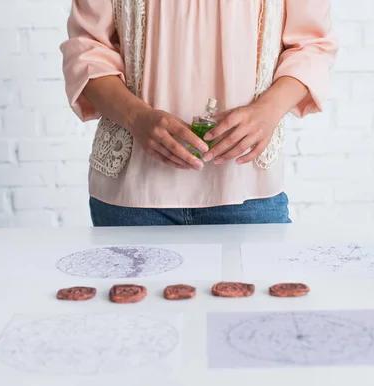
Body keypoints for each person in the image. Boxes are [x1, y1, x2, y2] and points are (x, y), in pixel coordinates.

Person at [60, 0, 338, 227]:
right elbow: (87, 50)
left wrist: (269, 110)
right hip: (133, 197)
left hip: (246, 190)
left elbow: (312, 45)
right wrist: (136, 117)